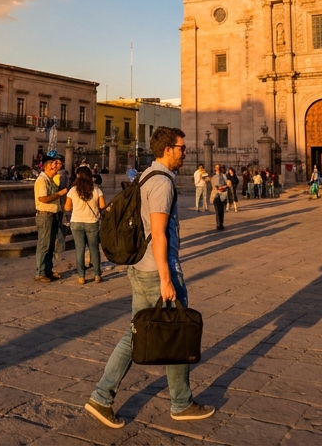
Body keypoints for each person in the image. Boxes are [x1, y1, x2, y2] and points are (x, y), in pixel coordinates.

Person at [86, 126, 214, 428]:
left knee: (138, 333)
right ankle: (180, 403)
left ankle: (102, 397)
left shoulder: (146, 175)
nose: (185, 153)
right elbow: (157, 234)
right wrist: (167, 278)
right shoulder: (163, 184)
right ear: (168, 149)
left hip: (141, 269)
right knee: (178, 331)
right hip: (156, 272)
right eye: (182, 148)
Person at [65, 166, 105, 284]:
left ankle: (81, 276)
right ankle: (97, 275)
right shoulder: (96, 190)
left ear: (78, 176)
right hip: (92, 222)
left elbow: (67, 207)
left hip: (76, 221)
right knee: (94, 249)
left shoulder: (73, 190)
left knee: (79, 249)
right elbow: (102, 206)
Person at [33, 152, 67, 283]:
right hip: (45, 216)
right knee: (44, 245)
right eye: (54, 164)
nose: (57, 166)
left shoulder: (50, 179)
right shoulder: (41, 180)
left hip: (53, 215)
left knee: (51, 245)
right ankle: (40, 272)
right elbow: (43, 199)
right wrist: (59, 194)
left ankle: (48, 270)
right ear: (47, 166)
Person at [210, 164, 230, 230]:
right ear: (215, 168)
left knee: (221, 210)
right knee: (217, 210)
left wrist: (223, 187)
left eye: (218, 167)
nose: (217, 168)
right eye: (216, 167)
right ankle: (218, 224)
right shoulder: (213, 177)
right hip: (215, 194)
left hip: (222, 193)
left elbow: (227, 184)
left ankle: (221, 223)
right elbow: (213, 185)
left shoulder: (223, 176)